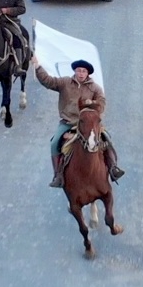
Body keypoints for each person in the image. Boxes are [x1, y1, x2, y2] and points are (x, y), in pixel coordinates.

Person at [32, 56, 125, 188]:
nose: (81, 73)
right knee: (54, 143)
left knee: (106, 139)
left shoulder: (95, 88)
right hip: (68, 122)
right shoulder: (65, 82)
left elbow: (102, 104)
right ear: (75, 71)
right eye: (79, 70)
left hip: (88, 123)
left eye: (84, 71)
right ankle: (58, 175)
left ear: (88, 73)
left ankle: (113, 168)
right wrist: (37, 67)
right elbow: (48, 81)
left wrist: (91, 103)